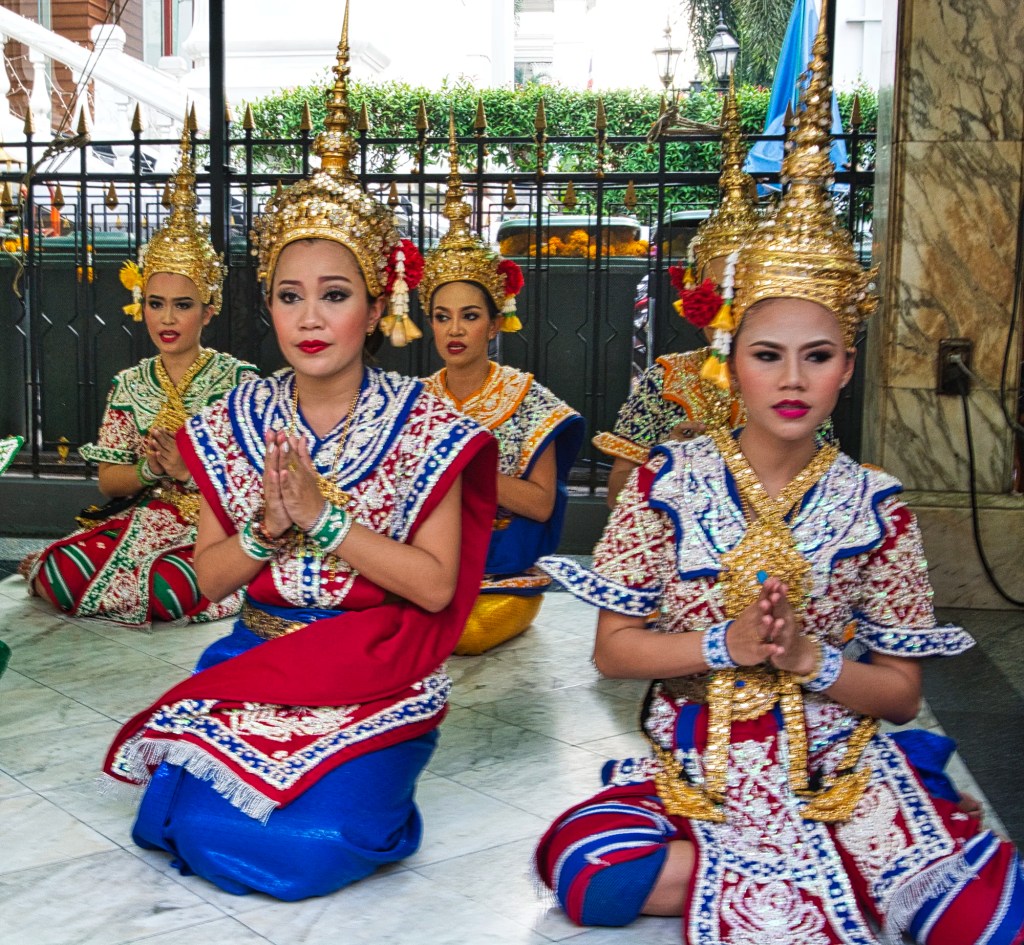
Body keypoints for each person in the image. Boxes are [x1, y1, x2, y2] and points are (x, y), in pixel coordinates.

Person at [535, 22, 1024, 945]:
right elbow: (613, 653)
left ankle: (828, 857)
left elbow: (902, 696)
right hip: (701, 764)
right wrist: (724, 642)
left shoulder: (877, 501)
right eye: (768, 355)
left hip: (836, 762)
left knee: (990, 910)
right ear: (731, 361)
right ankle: (831, 868)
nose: (792, 379)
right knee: (587, 869)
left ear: (848, 365)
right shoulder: (666, 482)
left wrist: (809, 661)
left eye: (818, 355)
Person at [102, 15, 497, 901]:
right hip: (264, 653)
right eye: (290, 295)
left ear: (375, 301)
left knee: (305, 845)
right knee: (196, 827)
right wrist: (266, 528)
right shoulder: (234, 418)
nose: (311, 318)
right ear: (267, 305)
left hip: (379, 666)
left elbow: (435, 588)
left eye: (334, 294)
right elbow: (205, 582)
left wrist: (328, 519)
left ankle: (373, 798)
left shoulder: (424, 422)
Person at [23, 130, 257, 626]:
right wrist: (153, 473)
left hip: (215, 529)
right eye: (156, 304)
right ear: (140, 306)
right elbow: (110, 482)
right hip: (146, 517)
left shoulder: (238, 382)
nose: (167, 319)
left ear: (209, 310)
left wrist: (188, 472)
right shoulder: (130, 384)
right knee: (59, 568)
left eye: (183, 305)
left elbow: (252, 483)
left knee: (171, 585)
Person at [419, 115, 584, 655]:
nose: (455, 329)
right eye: (443, 316)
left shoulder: (530, 400)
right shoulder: (416, 401)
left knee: (462, 633)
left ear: (494, 323)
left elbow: (539, 505)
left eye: (469, 316)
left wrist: (464, 471)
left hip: (500, 574)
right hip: (425, 565)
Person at [595, 77, 758, 507]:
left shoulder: (792, 385)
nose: (728, 313)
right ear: (693, 298)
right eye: (716, 293)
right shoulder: (664, 381)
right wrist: (670, 452)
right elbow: (615, 498)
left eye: (743, 293)